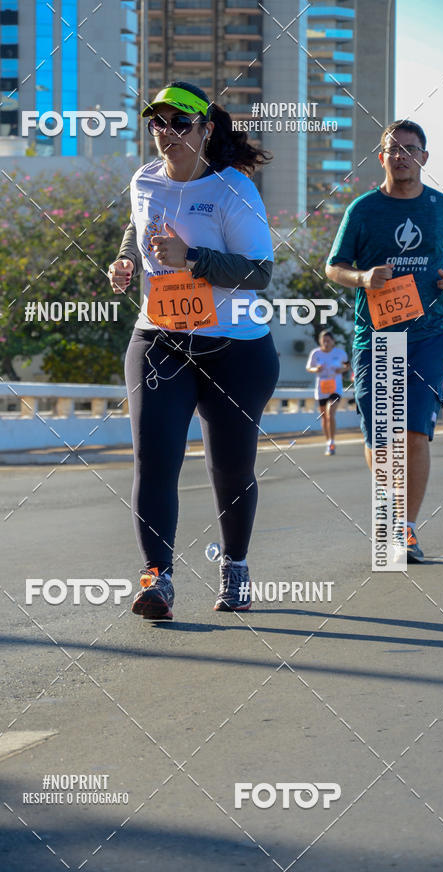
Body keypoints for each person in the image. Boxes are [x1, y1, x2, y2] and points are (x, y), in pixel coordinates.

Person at [107, 81, 278, 619]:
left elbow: (260, 272)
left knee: (230, 468)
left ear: (206, 129)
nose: (166, 133)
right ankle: (158, 578)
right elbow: (136, 229)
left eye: (180, 123)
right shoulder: (144, 180)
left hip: (236, 347)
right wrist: (127, 261)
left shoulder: (233, 190)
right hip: (160, 336)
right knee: (154, 459)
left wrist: (191, 257)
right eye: (157, 122)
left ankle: (236, 565)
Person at [325, 119, 443, 563]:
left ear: (423, 157)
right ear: (381, 156)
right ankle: (393, 511)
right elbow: (334, 267)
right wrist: (363, 277)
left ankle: (401, 529)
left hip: (428, 335)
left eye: (410, 148)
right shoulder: (364, 210)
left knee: (415, 432)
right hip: (377, 337)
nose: (401, 155)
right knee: (382, 438)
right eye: (393, 149)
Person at [305, 330, 350, 455]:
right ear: (320, 341)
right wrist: (316, 369)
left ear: (333, 341)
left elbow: (347, 366)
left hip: (336, 388)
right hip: (321, 388)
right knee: (324, 417)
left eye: (328, 340)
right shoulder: (315, 353)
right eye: (323, 340)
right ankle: (328, 441)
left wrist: (340, 370)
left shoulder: (340, 353)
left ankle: (332, 442)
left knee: (331, 413)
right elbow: (309, 367)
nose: (325, 342)